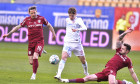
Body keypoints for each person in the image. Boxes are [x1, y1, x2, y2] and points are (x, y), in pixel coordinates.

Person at [60, 29, 140, 84]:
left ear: (127, 51)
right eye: (121, 48)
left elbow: (132, 72)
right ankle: (66, 80)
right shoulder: (118, 51)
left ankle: (125, 83)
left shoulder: (128, 60)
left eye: (123, 49)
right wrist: (126, 32)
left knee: (112, 83)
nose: (121, 49)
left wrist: (137, 82)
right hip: (105, 71)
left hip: (112, 71)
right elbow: (119, 39)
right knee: (87, 78)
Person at [3, 6, 56, 80]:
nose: (33, 14)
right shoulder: (27, 20)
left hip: (39, 41)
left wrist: (54, 34)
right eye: (32, 13)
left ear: (36, 12)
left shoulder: (41, 19)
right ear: (29, 13)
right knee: (31, 62)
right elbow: (18, 27)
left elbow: (49, 25)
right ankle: (41, 50)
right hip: (31, 43)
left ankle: (33, 75)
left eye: (34, 12)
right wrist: (8, 34)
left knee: (35, 57)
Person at [54, 7, 89, 80]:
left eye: (72, 16)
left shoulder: (79, 20)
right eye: (69, 15)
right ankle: (58, 74)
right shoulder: (67, 20)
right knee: (63, 57)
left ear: (75, 14)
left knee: (83, 60)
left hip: (77, 44)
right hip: (68, 42)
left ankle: (86, 73)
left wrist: (77, 29)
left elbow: (85, 28)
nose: (71, 17)